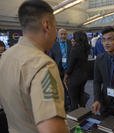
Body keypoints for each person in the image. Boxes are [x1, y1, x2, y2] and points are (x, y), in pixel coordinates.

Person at [0, 1, 69, 133]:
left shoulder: (6, 57)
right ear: (47, 25)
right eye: (56, 26)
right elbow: (52, 129)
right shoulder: (42, 65)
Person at [64, 31, 90, 111]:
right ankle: (83, 113)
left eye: (74, 37)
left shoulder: (75, 49)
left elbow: (71, 66)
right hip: (84, 76)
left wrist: (66, 75)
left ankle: (74, 118)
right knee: (81, 95)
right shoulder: (86, 48)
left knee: (73, 100)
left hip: (74, 77)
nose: (73, 38)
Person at [49, 28, 71, 111]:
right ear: (58, 35)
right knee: (61, 88)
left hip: (69, 69)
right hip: (58, 69)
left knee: (70, 87)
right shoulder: (53, 45)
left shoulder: (70, 43)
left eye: (64, 34)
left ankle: (71, 102)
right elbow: (51, 58)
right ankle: (65, 104)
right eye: (61, 34)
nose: (63, 36)